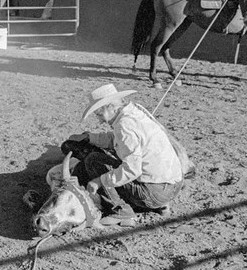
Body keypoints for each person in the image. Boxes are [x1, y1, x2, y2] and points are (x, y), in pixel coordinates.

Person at [65, 84, 187, 226]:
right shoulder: (133, 113)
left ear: (110, 106)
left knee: (94, 161)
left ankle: (122, 212)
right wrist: (90, 137)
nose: (100, 120)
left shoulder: (124, 126)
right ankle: (160, 204)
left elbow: (131, 169)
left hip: (155, 192)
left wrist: (99, 181)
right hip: (173, 184)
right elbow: (118, 140)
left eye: (99, 114)